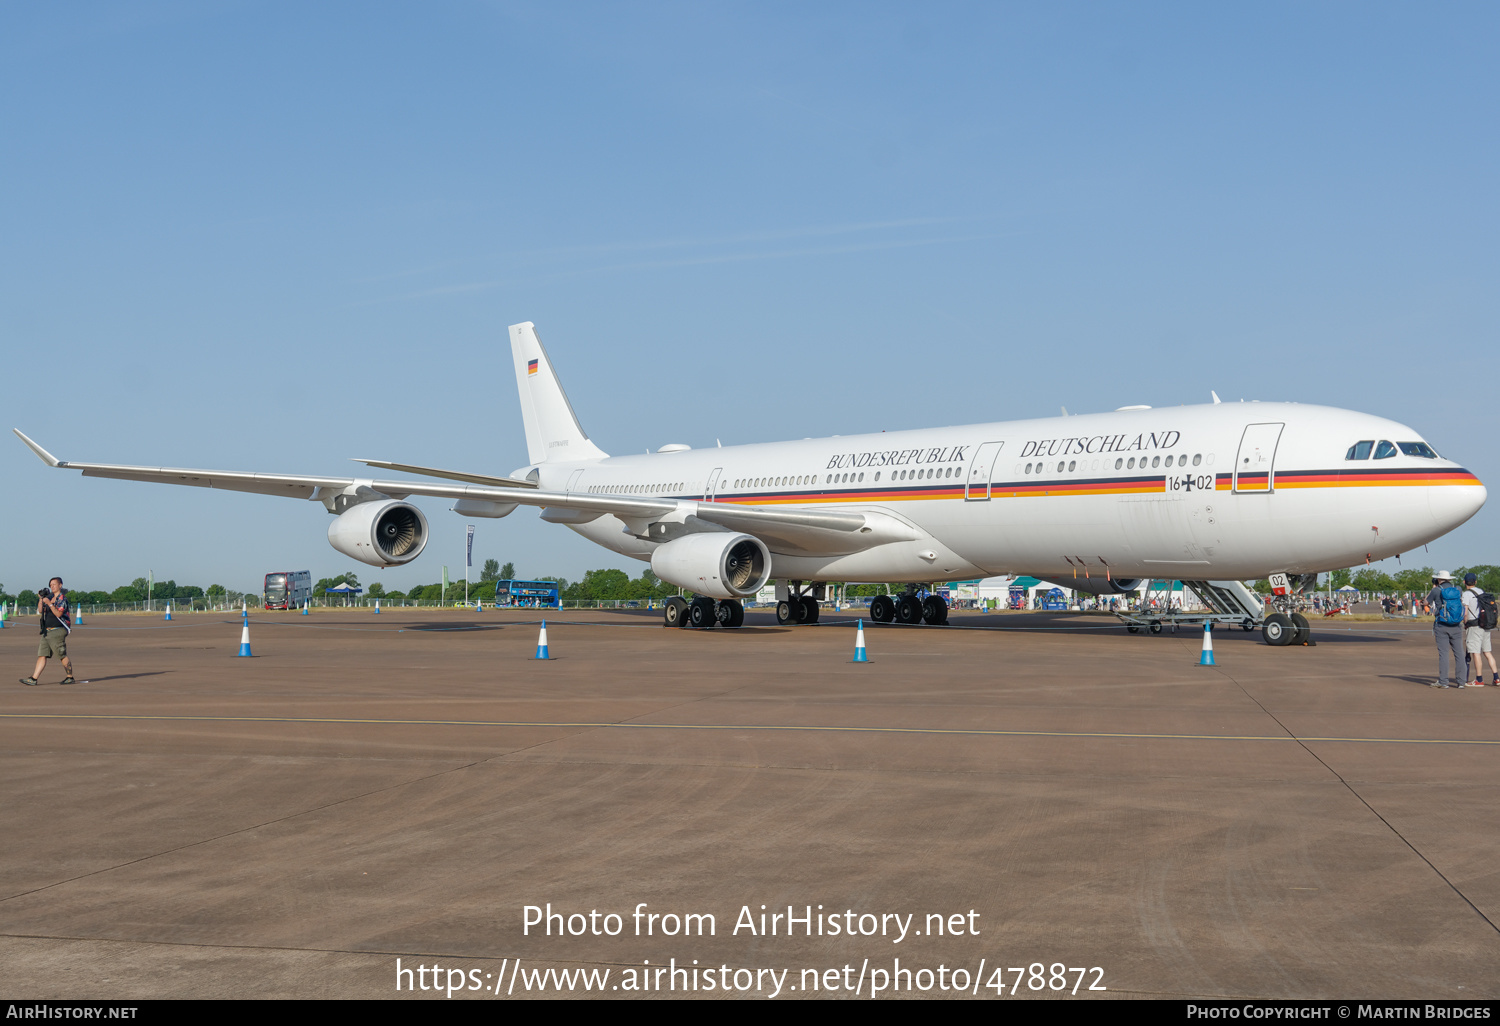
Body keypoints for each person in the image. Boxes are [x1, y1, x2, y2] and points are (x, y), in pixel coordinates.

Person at [21, 577, 76, 686]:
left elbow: (59, 614)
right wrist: (41, 599)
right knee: (42, 655)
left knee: (61, 654)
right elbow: (41, 610)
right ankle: (34, 678)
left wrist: (50, 604)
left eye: (54, 584)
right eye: (50, 585)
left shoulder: (62, 599)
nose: (52, 586)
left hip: (58, 629)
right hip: (47, 631)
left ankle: (70, 677)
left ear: (60, 585)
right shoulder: (49, 597)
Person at [1426, 571, 1465, 688]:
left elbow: (1426, 602)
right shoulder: (1458, 589)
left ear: (1438, 579)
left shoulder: (1436, 590)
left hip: (1441, 624)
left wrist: (1433, 589)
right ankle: (1461, 682)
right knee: (1459, 653)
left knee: (1444, 654)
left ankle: (1444, 681)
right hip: (1456, 625)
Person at [1462, 572, 1497, 687]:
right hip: (1485, 625)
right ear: (1475, 582)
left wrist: (1464, 622)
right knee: (1487, 652)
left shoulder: (1466, 594)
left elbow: (1465, 612)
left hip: (1474, 626)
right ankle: (1496, 677)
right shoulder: (1481, 592)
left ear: (1464, 582)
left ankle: (1479, 679)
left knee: (1475, 652)